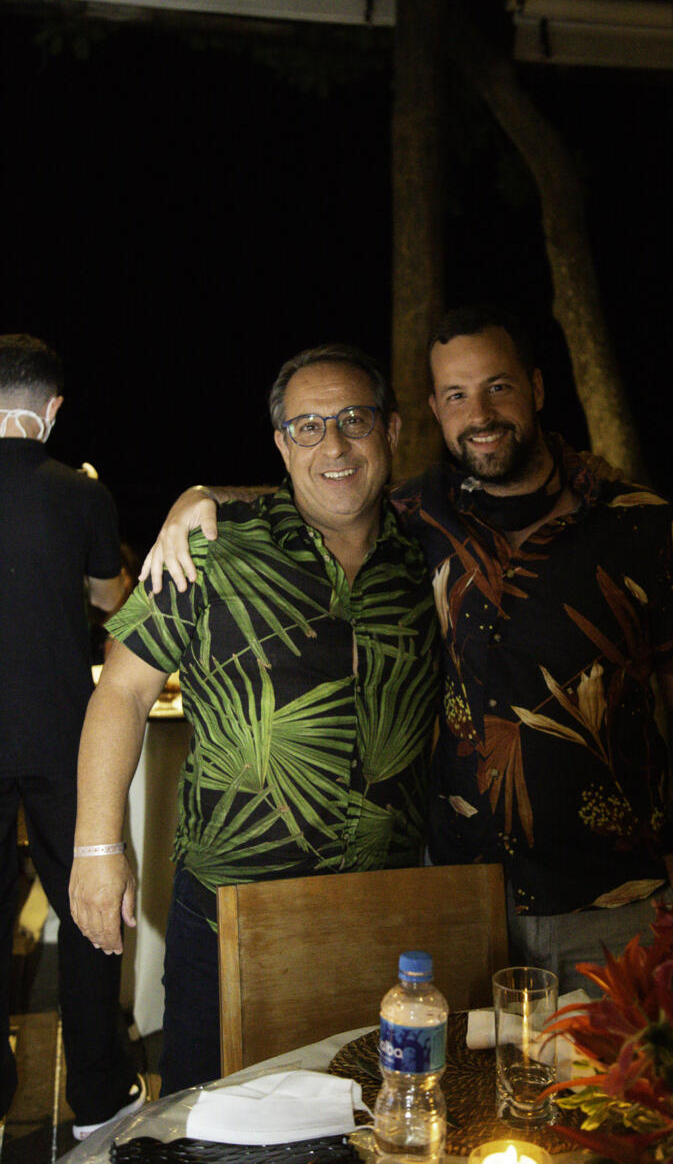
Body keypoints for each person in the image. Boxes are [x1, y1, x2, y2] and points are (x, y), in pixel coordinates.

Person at [132, 306, 673, 993]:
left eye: (498, 387)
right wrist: (199, 497)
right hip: (457, 901)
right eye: (456, 395)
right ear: (434, 411)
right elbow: (325, 488)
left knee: (619, 1066)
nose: (480, 414)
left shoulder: (641, 527)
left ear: (536, 388)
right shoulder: (421, 516)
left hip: (615, 902)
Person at [69, 344, 439, 1093]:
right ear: (281, 444)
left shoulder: (429, 557)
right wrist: (97, 849)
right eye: (308, 427)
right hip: (231, 915)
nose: (333, 445)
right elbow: (124, 691)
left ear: (392, 430)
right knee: (209, 1117)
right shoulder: (211, 547)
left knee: (365, 1115)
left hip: (383, 912)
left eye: (354, 420)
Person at [0, 334, 143, 1139]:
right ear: (52, 409)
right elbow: (112, 601)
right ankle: (100, 1099)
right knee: (90, 913)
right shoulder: (80, 491)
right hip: (62, 735)